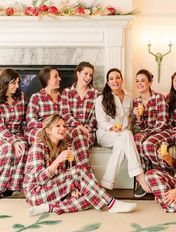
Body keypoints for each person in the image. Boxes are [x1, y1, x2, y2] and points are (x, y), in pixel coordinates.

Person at [23, 114, 136, 216]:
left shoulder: (63, 148)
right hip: (36, 193)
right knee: (80, 174)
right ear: (48, 130)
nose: (63, 129)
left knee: (91, 196)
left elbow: (64, 176)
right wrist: (57, 160)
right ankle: (111, 203)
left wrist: (72, 188)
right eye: (58, 126)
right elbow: (40, 179)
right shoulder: (38, 147)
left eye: (64, 126)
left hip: (54, 191)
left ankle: (50, 208)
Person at [95, 68, 151, 193]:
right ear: (108, 82)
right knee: (126, 134)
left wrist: (137, 115)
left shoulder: (129, 98)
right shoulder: (101, 99)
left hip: (122, 135)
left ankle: (106, 185)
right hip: (105, 134)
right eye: (111, 78)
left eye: (117, 77)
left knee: (122, 141)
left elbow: (131, 118)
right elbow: (101, 121)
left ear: (122, 80)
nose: (115, 81)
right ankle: (139, 176)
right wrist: (111, 127)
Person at [132, 69, 172, 198]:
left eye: (143, 80)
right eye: (137, 81)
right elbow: (140, 127)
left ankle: (163, 175)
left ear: (150, 82)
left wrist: (147, 133)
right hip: (147, 132)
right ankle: (142, 178)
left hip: (163, 131)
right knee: (136, 141)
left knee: (148, 144)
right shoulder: (136, 102)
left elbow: (162, 123)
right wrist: (138, 118)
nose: (139, 83)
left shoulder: (158, 98)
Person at [60, 62, 98, 167]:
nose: (88, 77)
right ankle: (85, 171)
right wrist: (80, 126)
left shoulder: (95, 94)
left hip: (88, 133)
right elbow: (65, 114)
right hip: (69, 131)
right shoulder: (67, 92)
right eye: (85, 73)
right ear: (78, 73)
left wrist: (88, 129)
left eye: (90, 75)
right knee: (78, 133)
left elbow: (95, 116)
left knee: (75, 142)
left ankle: (80, 175)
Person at [0, 68, 28, 197]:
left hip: (17, 132)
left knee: (23, 147)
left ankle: (11, 188)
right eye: (13, 83)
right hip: (3, 134)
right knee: (8, 148)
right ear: (5, 83)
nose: (17, 86)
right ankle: (1, 186)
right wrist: (13, 141)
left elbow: (24, 120)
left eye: (18, 83)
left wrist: (21, 138)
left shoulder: (21, 97)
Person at [25, 66, 61, 145]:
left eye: (59, 76)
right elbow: (30, 121)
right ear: (47, 79)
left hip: (58, 129)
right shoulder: (36, 97)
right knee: (44, 137)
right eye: (56, 76)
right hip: (40, 129)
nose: (59, 79)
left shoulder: (62, 97)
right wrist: (46, 126)